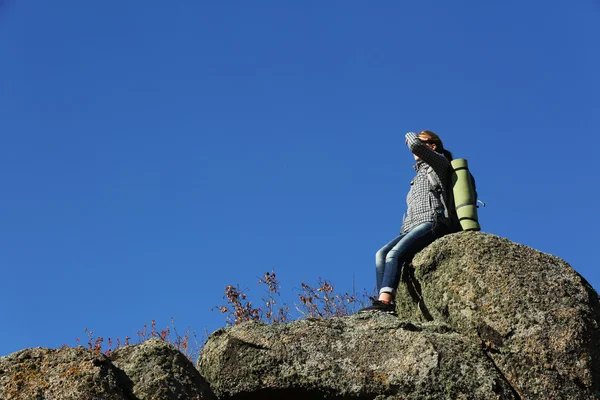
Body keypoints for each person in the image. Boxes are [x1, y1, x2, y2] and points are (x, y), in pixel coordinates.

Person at [358, 130, 454, 315]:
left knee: (394, 254)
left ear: (432, 146)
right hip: (411, 226)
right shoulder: (417, 177)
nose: (415, 147)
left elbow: (415, 145)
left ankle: (386, 302)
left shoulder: (439, 164)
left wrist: (409, 134)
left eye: (422, 141)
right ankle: (383, 302)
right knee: (381, 254)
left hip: (432, 220)